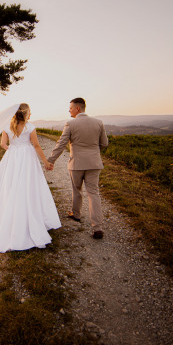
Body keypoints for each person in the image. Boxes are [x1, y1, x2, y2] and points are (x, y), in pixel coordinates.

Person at [0, 103, 61, 253]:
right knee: (28, 186)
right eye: (30, 112)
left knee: (10, 185)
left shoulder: (7, 126)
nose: (31, 115)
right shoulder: (30, 127)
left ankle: (9, 217)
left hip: (12, 157)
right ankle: (30, 220)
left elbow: (3, 144)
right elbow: (36, 146)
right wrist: (46, 162)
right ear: (26, 113)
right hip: (27, 158)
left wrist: (13, 150)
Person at [47, 98, 109, 239]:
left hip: (76, 164)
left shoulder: (70, 123)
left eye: (70, 108)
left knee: (77, 189)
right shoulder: (98, 122)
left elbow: (61, 144)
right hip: (94, 163)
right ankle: (97, 227)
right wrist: (93, 152)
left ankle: (76, 214)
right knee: (93, 193)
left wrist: (51, 160)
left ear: (77, 109)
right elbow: (104, 143)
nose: (69, 110)